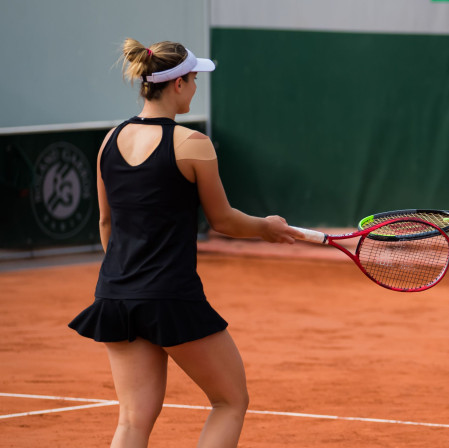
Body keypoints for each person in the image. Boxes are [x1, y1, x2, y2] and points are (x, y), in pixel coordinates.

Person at [68, 39, 304, 447]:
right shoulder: (193, 144)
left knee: (132, 420)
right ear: (177, 84)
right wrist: (266, 226)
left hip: (116, 294)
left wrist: (131, 277)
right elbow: (224, 220)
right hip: (170, 297)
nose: (195, 89)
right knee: (230, 400)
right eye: (194, 80)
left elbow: (107, 222)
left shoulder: (108, 141)